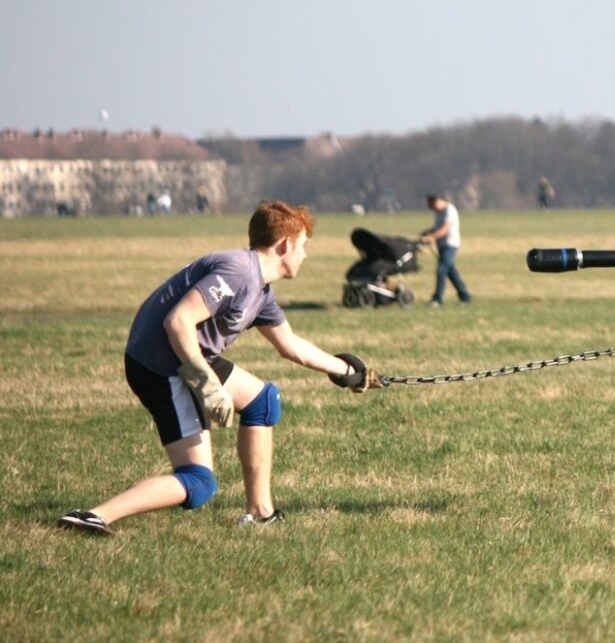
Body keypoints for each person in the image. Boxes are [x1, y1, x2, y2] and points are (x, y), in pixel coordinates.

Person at [58, 200, 378, 534]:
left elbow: (290, 345)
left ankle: (260, 513)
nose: (305, 255)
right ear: (285, 245)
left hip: (187, 359)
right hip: (160, 365)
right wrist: (207, 384)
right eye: (303, 246)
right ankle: (92, 516)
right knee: (199, 483)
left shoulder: (261, 290)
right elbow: (178, 321)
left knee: (262, 401)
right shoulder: (237, 271)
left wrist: (345, 370)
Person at [420, 194, 471, 307]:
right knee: (451, 272)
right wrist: (428, 232)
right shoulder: (439, 213)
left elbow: (445, 229)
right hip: (442, 245)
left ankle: (438, 299)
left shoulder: (450, 210)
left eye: (431, 206)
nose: (431, 209)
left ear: (436, 201)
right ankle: (465, 296)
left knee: (442, 270)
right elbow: (438, 227)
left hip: (450, 245)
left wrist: (431, 237)